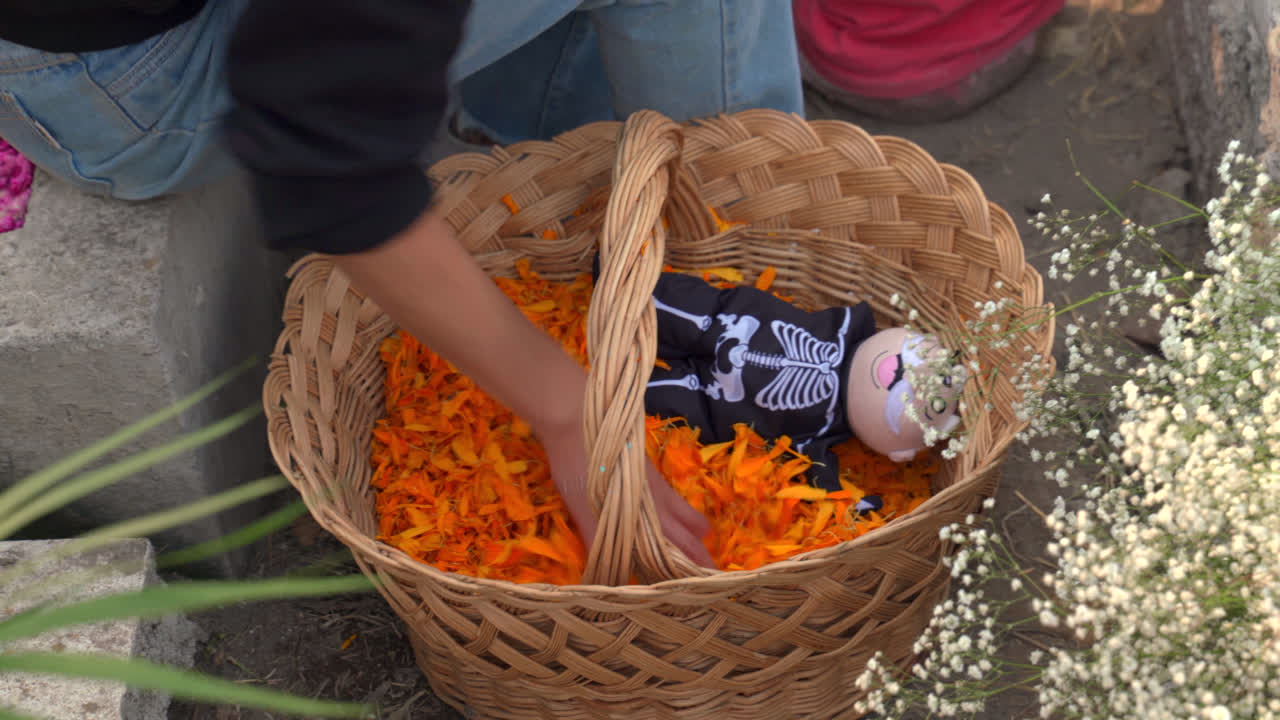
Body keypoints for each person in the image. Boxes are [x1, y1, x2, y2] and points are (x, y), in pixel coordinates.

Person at [0, 0, 809, 570]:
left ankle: (679, 247)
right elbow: (321, 170)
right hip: (116, 86)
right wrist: (568, 410)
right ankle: (728, 284)